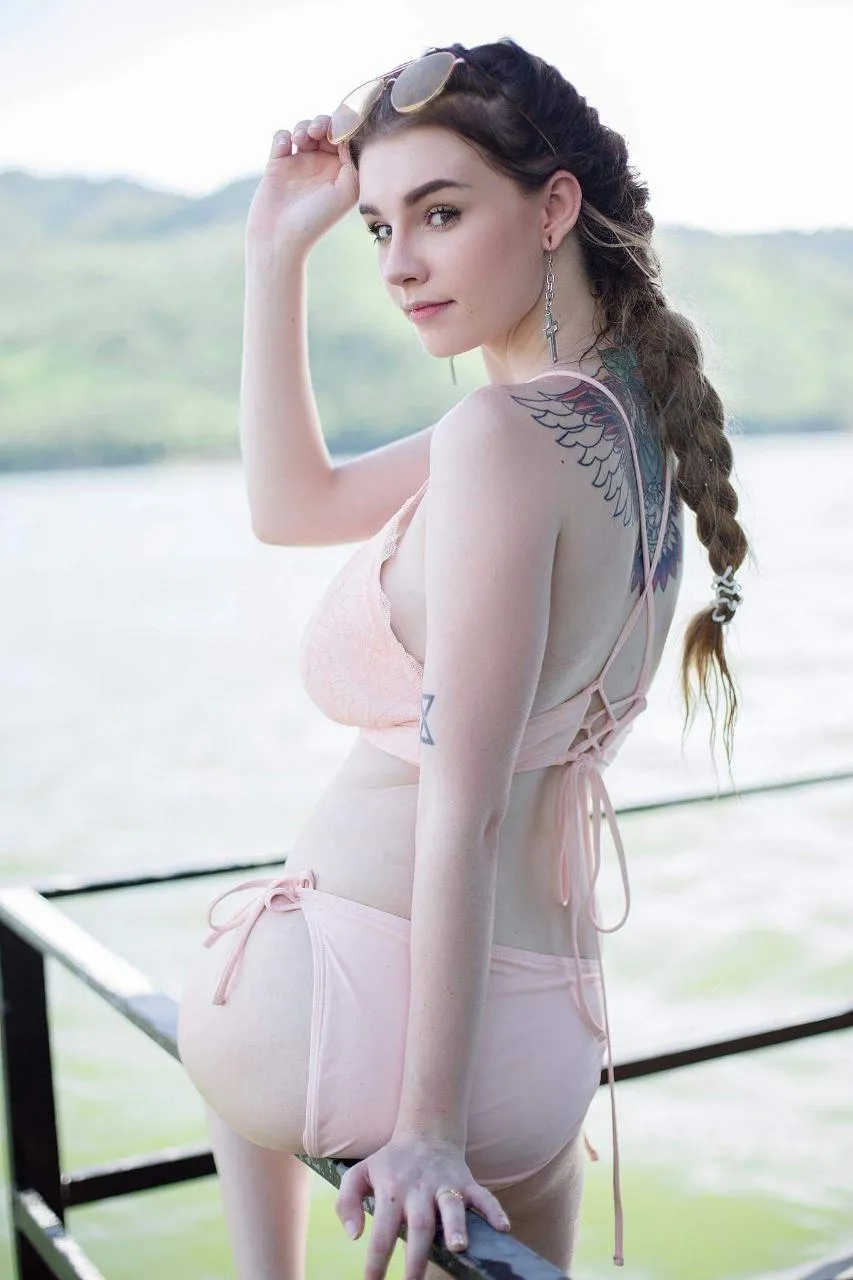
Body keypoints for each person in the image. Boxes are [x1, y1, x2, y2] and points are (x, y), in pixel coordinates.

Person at [176, 37, 750, 1280]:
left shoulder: (501, 435)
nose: (398, 263)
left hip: (395, 1031)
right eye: (378, 226)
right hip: (540, 1024)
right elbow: (292, 500)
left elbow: (465, 801)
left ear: (553, 208)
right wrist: (279, 249)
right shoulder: (627, 425)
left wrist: (430, 1126)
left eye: (438, 213)